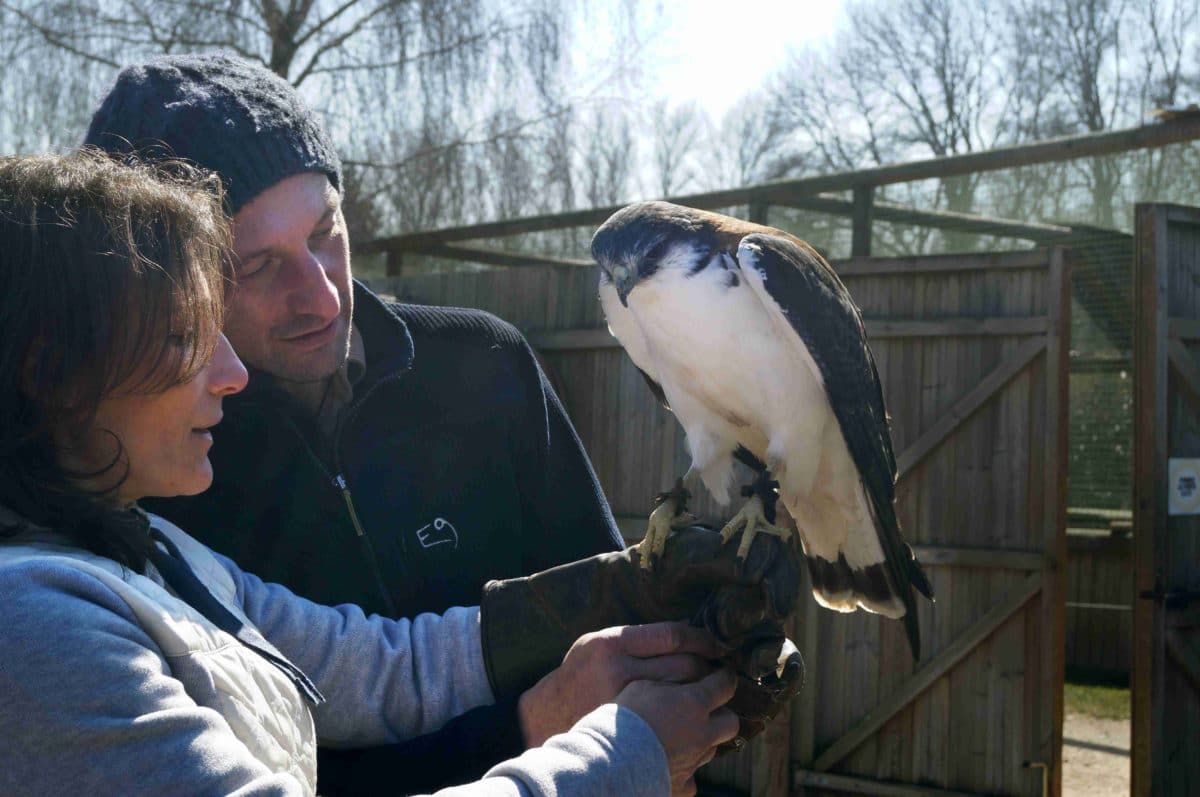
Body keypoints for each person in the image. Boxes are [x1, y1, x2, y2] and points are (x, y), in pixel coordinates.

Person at [0, 150, 744, 796]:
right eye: (180, 339)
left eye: (325, 232)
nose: (229, 372)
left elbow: (380, 667)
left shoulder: (152, 547)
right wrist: (627, 753)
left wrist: (617, 589)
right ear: (54, 373)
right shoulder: (36, 627)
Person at [83, 52, 633, 789]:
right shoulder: (160, 478)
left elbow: (610, 622)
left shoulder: (484, 360)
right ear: (161, 292)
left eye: (324, 230)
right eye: (256, 266)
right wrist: (529, 728)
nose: (320, 295)